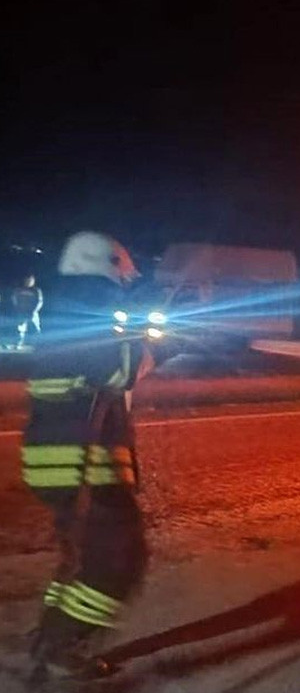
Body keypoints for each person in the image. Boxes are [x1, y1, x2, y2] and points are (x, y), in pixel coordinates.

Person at [22, 231, 149, 684]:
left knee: (81, 557)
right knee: (120, 560)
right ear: (107, 267)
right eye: (122, 275)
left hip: (56, 458)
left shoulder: (62, 310)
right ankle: (63, 645)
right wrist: (141, 339)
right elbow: (117, 372)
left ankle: (51, 638)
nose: (124, 284)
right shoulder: (93, 309)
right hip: (83, 461)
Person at [12, 274, 43, 348]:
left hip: (32, 313)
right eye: (27, 280)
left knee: (35, 329)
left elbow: (39, 302)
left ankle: (38, 344)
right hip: (21, 312)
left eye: (31, 280)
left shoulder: (36, 291)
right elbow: (14, 299)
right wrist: (17, 308)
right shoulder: (19, 290)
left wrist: (34, 311)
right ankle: (19, 344)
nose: (28, 282)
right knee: (20, 329)